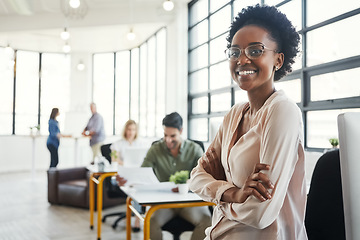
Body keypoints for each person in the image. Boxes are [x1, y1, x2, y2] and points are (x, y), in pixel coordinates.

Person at [188, 4, 307, 240]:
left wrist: (218, 198)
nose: (242, 60)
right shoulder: (234, 115)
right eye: (234, 52)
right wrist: (232, 193)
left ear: (278, 60)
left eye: (255, 50)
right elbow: (196, 177)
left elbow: (260, 213)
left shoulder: (282, 111)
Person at [116, 112, 211, 240]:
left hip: (189, 201)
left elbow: (203, 176)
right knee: (151, 221)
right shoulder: (156, 149)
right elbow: (142, 174)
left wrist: (187, 185)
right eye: (165, 135)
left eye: (173, 136)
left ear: (181, 131)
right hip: (163, 203)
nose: (168, 140)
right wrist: (127, 181)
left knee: (206, 220)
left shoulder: (195, 149)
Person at [110, 119, 146, 232]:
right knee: (135, 185)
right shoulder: (116, 144)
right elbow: (114, 159)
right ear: (125, 130)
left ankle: (137, 217)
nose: (131, 132)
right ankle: (137, 218)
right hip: (120, 176)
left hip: (136, 176)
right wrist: (126, 163)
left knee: (137, 184)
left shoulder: (141, 144)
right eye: (129, 129)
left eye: (133, 130)